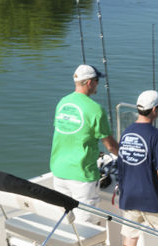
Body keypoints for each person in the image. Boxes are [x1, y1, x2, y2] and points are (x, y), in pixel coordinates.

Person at [50, 64, 119, 224]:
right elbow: (110, 146)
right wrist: (128, 160)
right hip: (81, 176)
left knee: (65, 220)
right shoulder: (96, 110)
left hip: (59, 171)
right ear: (89, 83)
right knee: (86, 225)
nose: (98, 84)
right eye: (97, 80)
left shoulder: (63, 103)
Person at [117, 90, 158, 246]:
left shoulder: (126, 133)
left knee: (130, 239)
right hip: (151, 199)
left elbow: (123, 164)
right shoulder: (157, 136)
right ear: (154, 110)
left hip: (128, 197)